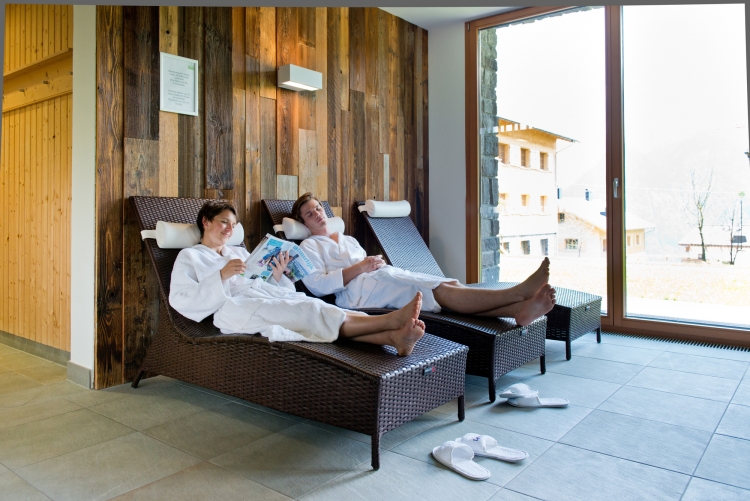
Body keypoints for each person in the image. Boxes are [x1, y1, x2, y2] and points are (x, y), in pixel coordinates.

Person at [169, 200, 426, 356]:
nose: (229, 229)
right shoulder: (190, 256)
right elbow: (180, 299)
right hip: (234, 309)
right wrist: (221, 277)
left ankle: (393, 338)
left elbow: (259, 281)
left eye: (233, 225)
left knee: (317, 306)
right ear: (206, 221)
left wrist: (277, 275)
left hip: (262, 297)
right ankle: (390, 320)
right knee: (310, 310)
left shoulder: (238, 252)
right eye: (224, 222)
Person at [292, 193, 556, 327]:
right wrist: (361, 266)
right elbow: (318, 286)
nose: (317, 214)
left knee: (449, 287)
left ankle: (517, 310)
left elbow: (366, 263)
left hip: (383, 278)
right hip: (359, 295)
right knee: (439, 292)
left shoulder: (347, 239)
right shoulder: (308, 246)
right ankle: (517, 293)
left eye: (318, 208)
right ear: (303, 223)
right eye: (309, 214)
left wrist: (373, 263)